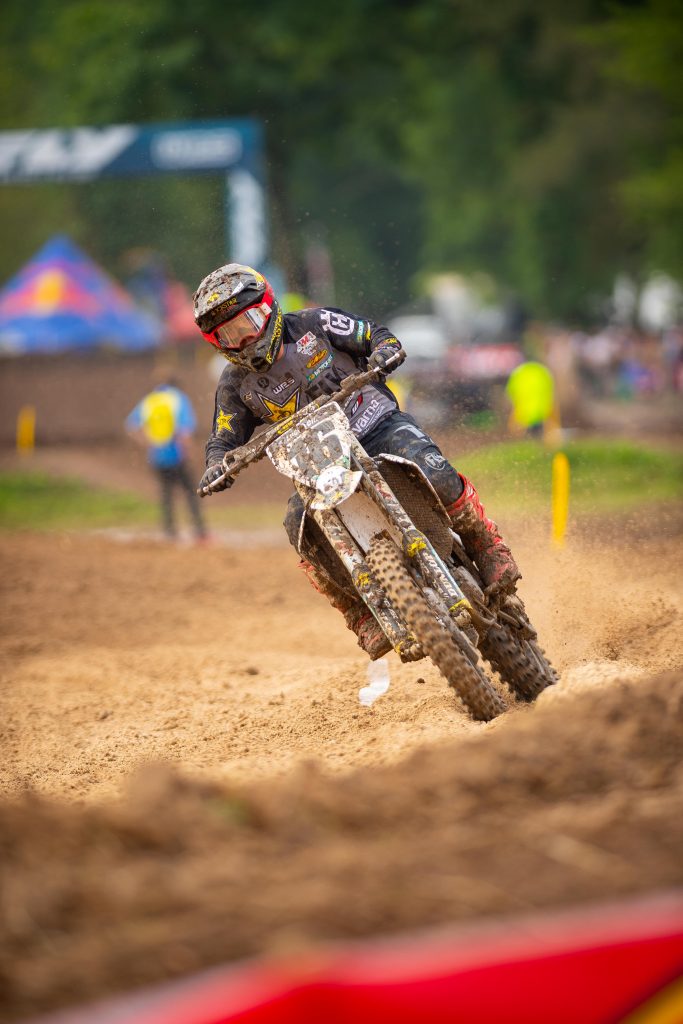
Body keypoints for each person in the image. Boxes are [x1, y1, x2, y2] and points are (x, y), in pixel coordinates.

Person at [193, 264, 519, 658]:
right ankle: (359, 612)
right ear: (216, 342)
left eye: (247, 324)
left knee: (433, 469)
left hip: (376, 423)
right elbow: (224, 436)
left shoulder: (314, 324)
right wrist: (217, 464)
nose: (242, 339)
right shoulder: (234, 384)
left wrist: (385, 350)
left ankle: (487, 544)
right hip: (316, 467)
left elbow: (372, 334)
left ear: (268, 308)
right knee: (297, 527)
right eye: (228, 335)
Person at [125, 376, 208, 544]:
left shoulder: (150, 400)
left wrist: (148, 443)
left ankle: (170, 532)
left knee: (166, 494)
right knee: (192, 492)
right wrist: (188, 452)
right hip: (176, 454)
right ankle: (199, 531)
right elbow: (184, 431)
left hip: (157, 456)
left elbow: (131, 425)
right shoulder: (178, 399)